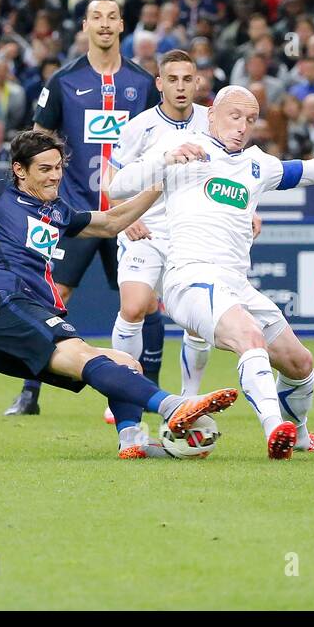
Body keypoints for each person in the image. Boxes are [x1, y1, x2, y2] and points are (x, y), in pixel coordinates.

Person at [0, 72, 239, 459]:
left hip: (26, 319)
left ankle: (132, 442)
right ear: (20, 170)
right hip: (4, 306)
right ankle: (175, 407)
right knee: (90, 356)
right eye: (45, 169)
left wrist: (159, 182)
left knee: (123, 363)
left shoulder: (56, 211)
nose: (55, 176)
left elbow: (111, 222)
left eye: (58, 168)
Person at [108, 84, 314, 460]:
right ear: (214, 114)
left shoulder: (257, 164)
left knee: (299, 362)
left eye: (250, 119)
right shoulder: (183, 146)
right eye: (234, 116)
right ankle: (275, 431)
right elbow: (117, 185)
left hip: (237, 284)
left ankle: (299, 435)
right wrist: (166, 160)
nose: (242, 126)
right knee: (249, 336)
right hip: (190, 277)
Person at [4, 0, 160, 417]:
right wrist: (40, 201)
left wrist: (138, 206)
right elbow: (37, 143)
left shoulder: (143, 83)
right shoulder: (62, 81)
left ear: (123, 25)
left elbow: (156, 144)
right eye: (97, 17)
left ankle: (151, 391)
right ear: (86, 26)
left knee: (144, 302)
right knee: (50, 294)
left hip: (127, 214)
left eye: (112, 17)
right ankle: (29, 393)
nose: (105, 24)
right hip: (73, 212)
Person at [103, 50, 214, 422]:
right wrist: (125, 215)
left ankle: (189, 399)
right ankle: (122, 391)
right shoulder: (140, 126)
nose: (180, 87)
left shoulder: (211, 121)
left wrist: (250, 210)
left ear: (197, 82)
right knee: (133, 308)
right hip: (145, 230)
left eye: (187, 79)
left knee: (198, 322)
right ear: (159, 83)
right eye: (173, 79)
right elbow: (111, 180)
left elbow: (234, 170)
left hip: (194, 232)